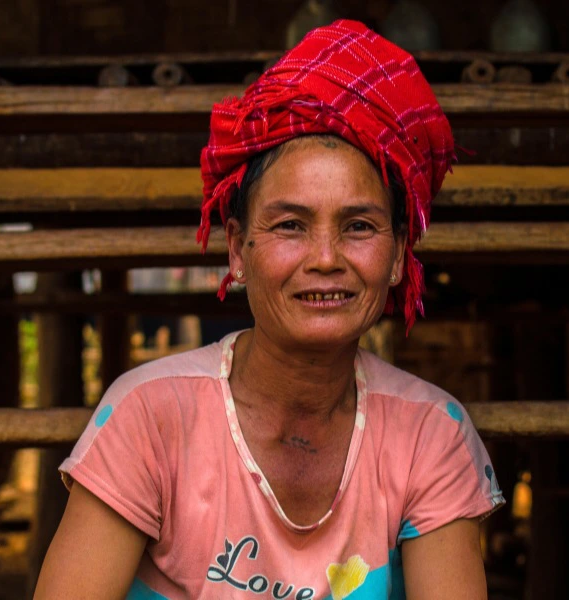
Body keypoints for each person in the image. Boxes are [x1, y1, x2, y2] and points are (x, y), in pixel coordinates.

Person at [35, 20, 504, 599]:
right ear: (236, 249)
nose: (326, 258)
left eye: (359, 226)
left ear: (398, 256)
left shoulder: (430, 434)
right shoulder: (151, 418)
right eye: (290, 226)